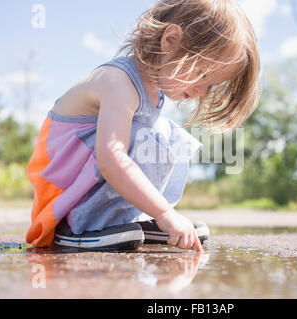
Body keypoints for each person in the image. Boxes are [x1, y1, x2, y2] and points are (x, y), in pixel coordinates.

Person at [25, 0, 261, 251]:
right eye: (202, 74)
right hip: (63, 196)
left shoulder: (151, 91)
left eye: (211, 84)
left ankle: (131, 217)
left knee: (171, 136)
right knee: (146, 137)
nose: (202, 91)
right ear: (169, 39)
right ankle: (77, 225)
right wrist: (165, 213)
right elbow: (111, 159)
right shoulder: (118, 82)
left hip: (88, 180)